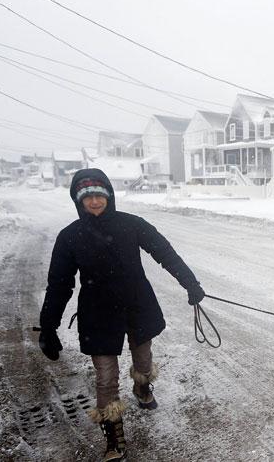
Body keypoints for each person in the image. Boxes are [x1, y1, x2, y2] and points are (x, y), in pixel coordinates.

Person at [38, 168, 205, 462]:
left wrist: (191, 283)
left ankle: (142, 388)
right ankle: (114, 438)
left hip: (136, 305)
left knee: (143, 360)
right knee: (105, 378)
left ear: (109, 195)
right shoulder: (70, 237)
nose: (94, 202)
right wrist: (48, 326)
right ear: (78, 200)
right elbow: (59, 284)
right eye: (87, 197)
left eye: (99, 195)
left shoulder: (131, 224)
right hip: (97, 313)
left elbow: (165, 253)